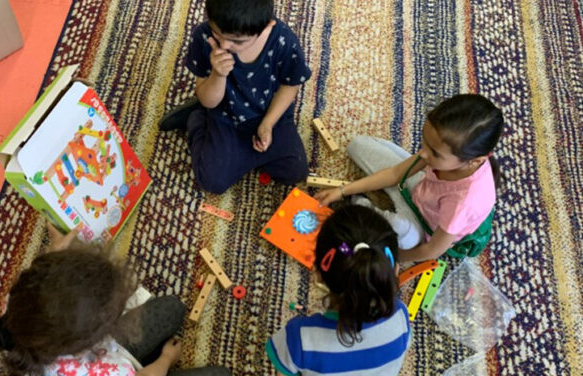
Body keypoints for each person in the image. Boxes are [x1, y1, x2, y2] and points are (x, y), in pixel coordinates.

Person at [0, 224, 230, 376]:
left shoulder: (18, 305)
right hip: (125, 366)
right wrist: (165, 360)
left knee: (173, 307)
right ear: (89, 343)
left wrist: (55, 253)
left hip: (96, 352)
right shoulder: (110, 372)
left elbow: (41, 279)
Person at [316, 94, 504, 262]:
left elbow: (432, 250)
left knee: (401, 231)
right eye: (424, 140)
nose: (423, 153)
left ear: (473, 161)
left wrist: (392, 257)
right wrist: (342, 190)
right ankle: (363, 201)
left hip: (424, 224)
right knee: (357, 146)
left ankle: (362, 205)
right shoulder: (440, 155)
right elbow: (395, 174)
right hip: (418, 189)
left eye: (434, 152)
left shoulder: (463, 203)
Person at [159, 0, 310, 194]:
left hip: (270, 113)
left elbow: (291, 84)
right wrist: (218, 74)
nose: (224, 45)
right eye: (217, 33)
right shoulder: (204, 37)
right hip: (225, 115)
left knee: (295, 171)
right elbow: (209, 100)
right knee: (212, 182)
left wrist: (267, 124)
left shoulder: (283, 40)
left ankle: (243, 151)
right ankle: (195, 118)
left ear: (267, 25)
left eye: (237, 41)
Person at [265, 204, 411, 375]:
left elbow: (283, 365)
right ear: (395, 270)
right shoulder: (400, 315)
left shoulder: (299, 339)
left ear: (317, 273)